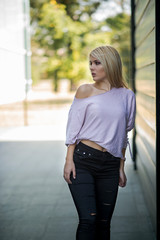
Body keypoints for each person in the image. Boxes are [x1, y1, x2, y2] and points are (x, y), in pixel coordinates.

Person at [63, 45, 136, 240]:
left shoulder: (127, 96)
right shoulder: (85, 90)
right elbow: (73, 129)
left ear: (110, 65)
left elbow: (123, 135)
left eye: (97, 63)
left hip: (110, 165)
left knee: (104, 224)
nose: (92, 68)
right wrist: (68, 160)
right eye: (90, 63)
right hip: (84, 160)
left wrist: (121, 167)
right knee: (88, 220)